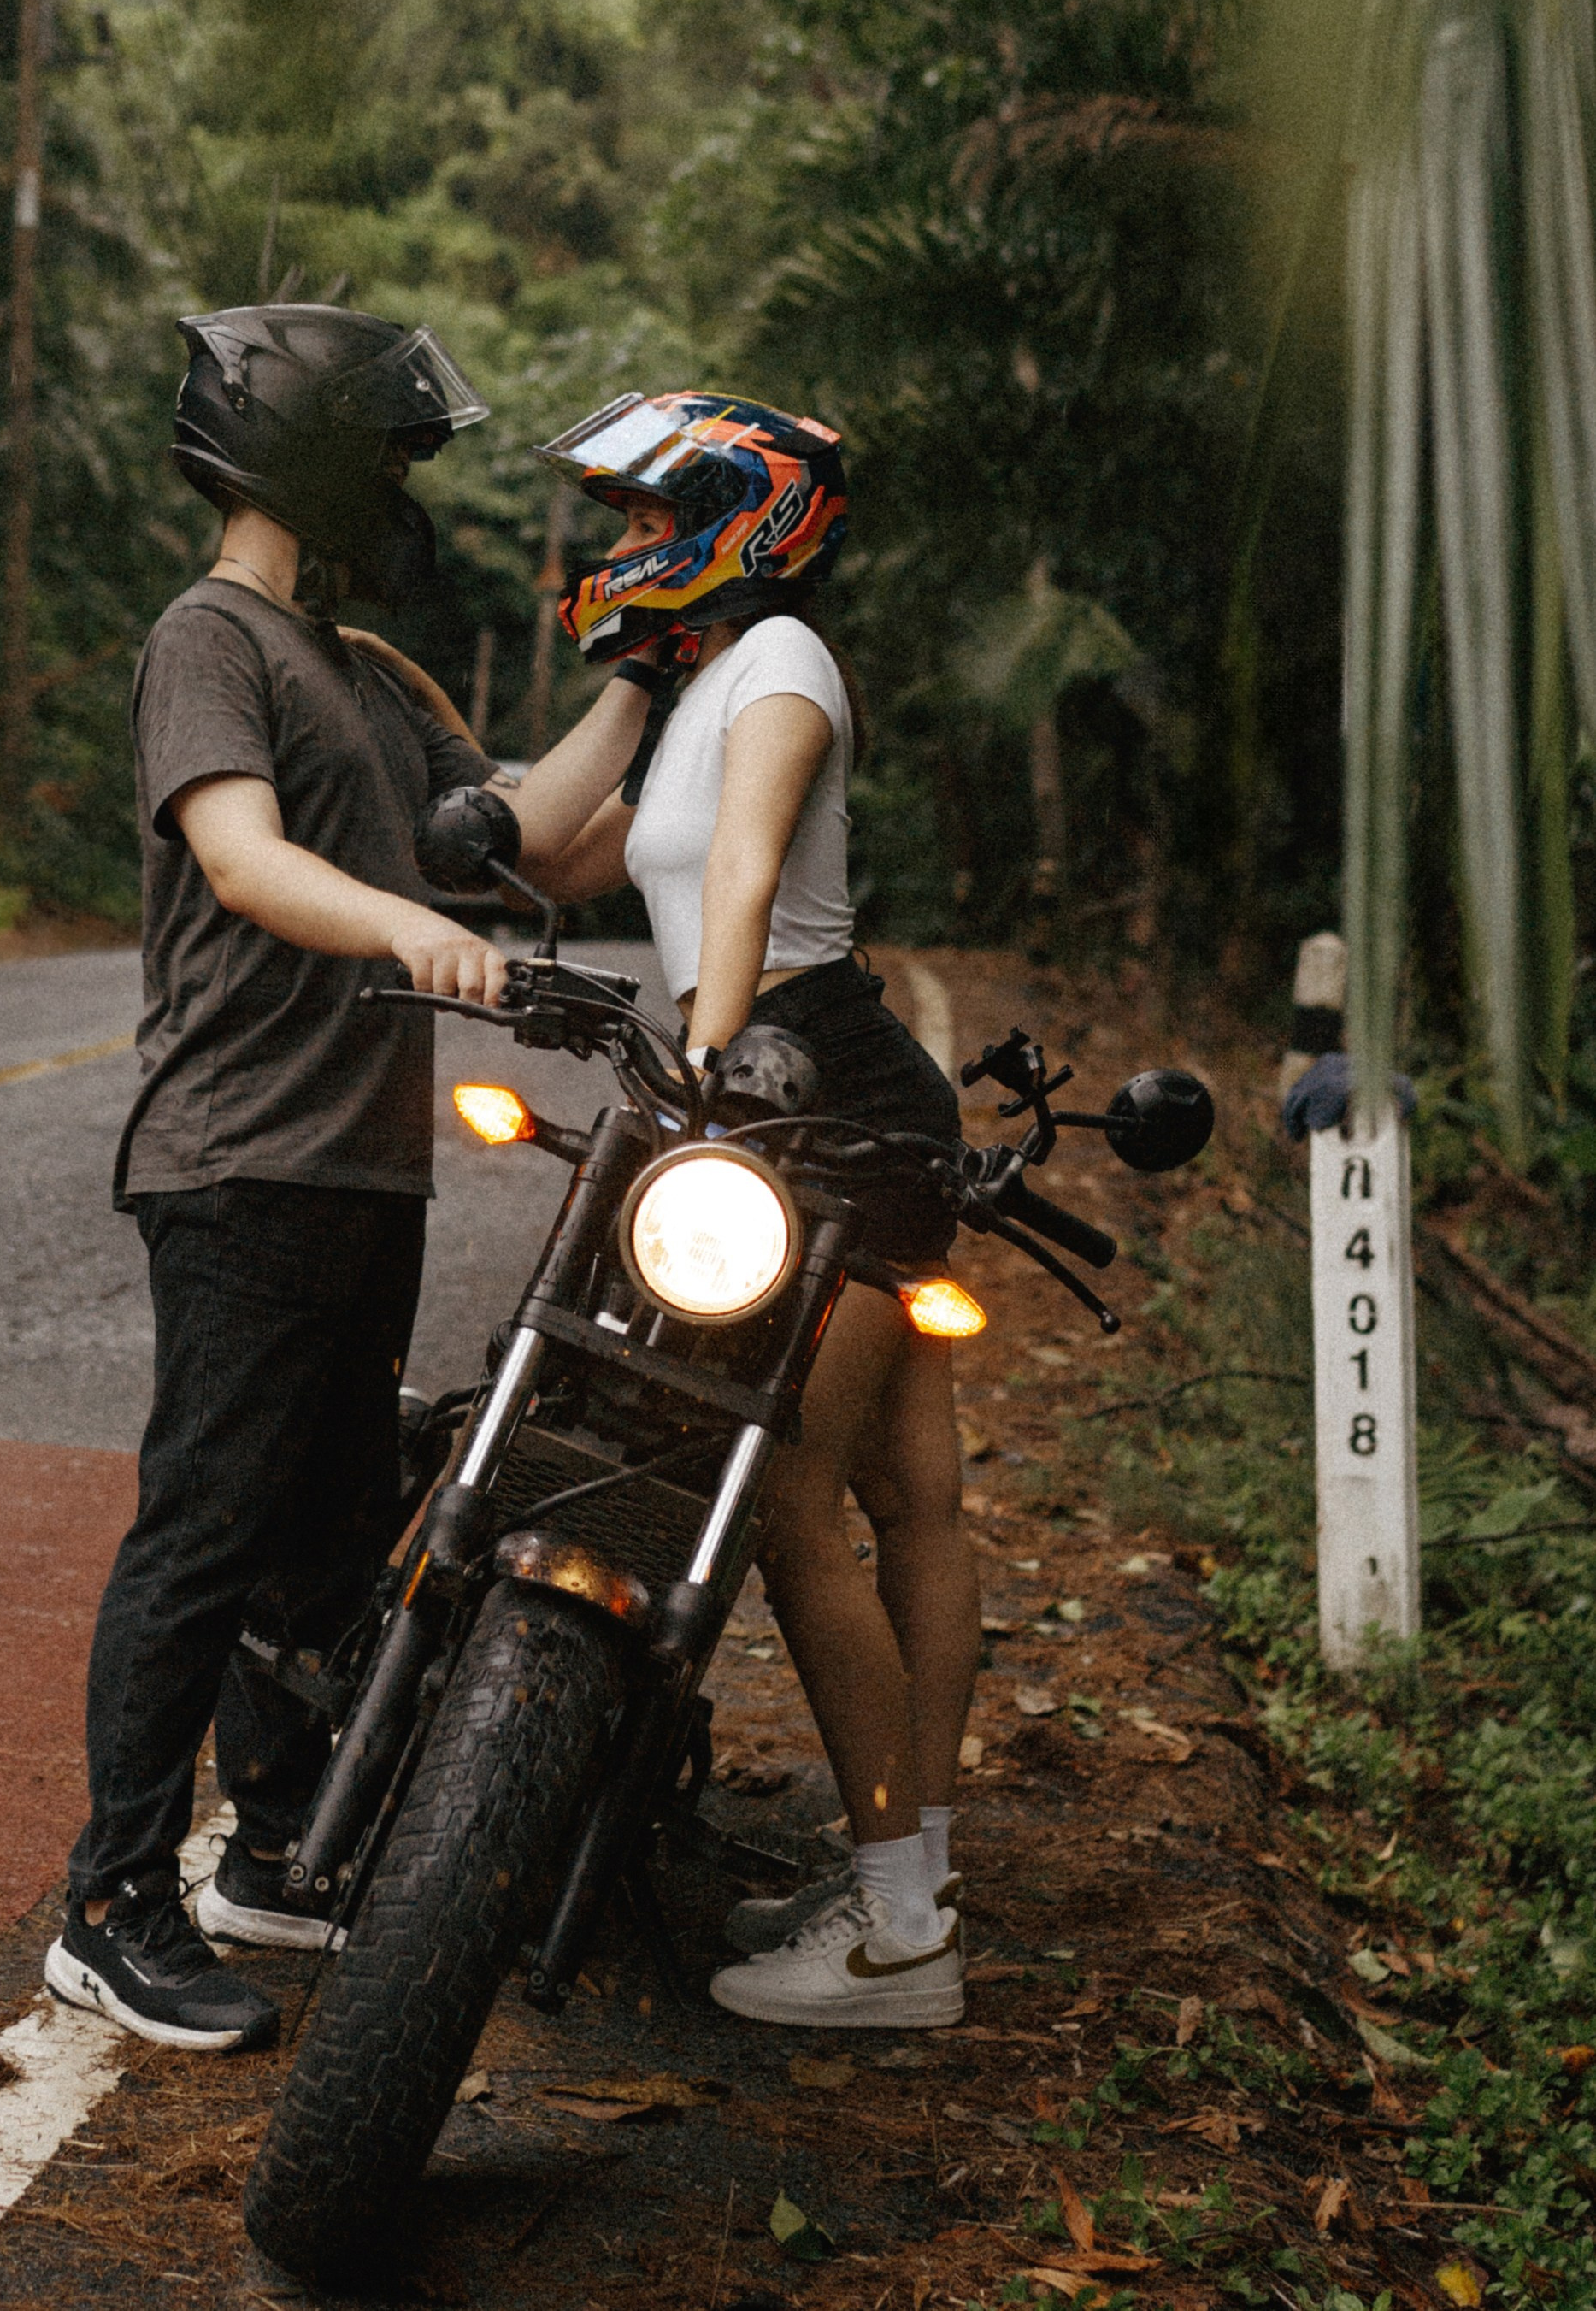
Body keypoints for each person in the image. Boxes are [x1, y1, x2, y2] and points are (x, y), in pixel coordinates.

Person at [44, 302, 515, 2055]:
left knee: (326, 1542)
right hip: (239, 1153)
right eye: (388, 452)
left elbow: (515, 818)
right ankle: (110, 1899)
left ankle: (275, 1849)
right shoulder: (206, 638)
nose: (403, 484)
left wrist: (659, 670)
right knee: (205, 1530)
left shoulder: (374, 668)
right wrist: (407, 922)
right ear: (308, 456)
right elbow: (239, 856)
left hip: (364, 1164)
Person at [510, 391, 981, 2031]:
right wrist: (426, 735)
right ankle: (906, 1868)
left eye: (651, 519)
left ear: (742, 517)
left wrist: (701, 1065)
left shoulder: (779, 663)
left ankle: (903, 1936)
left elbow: (744, 874)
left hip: (822, 1095)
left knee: (787, 1502)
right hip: (796, 1082)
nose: (630, 549)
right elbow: (577, 866)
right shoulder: (702, 676)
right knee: (910, 1496)